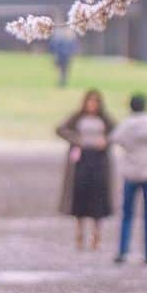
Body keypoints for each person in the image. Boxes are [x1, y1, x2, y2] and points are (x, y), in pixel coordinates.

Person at [110, 93, 147, 264]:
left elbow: (115, 139)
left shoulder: (126, 124)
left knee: (127, 214)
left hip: (130, 172)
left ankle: (123, 251)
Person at [56, 89, 114, 251]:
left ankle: (97, 235)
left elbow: (116, 132)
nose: (92, 105)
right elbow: (60, 129)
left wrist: (106, 141)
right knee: (80, 196)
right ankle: (80, 233)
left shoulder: (105, 119)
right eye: (90, 101)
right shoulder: (78, 117)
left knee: (98, 197)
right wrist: (76, 140)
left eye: (95, 102)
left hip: (98, 160)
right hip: (82, 159)